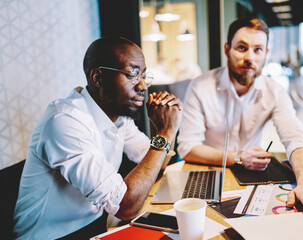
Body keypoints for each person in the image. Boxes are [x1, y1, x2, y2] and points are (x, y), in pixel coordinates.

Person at [13, 36, 183, 239]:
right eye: (132, 75)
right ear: (98, 78)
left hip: (95, 226)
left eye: (144, 76)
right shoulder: (65, 121)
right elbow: (124, 206)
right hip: (52, 235)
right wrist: (165, 133)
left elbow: (159, 164)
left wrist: (165, 131)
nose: (143, 86)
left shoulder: (118, 116)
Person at [177, 17, 303, 217]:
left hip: (252, 179)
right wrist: (238, 158)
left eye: (258, 49)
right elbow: (187, 147)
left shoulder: (274, 91)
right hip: (207, 173)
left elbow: (296, 138)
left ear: (266, 53)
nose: (249, 57)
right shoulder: (200, 86)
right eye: (242, 48)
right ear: (227, 49)